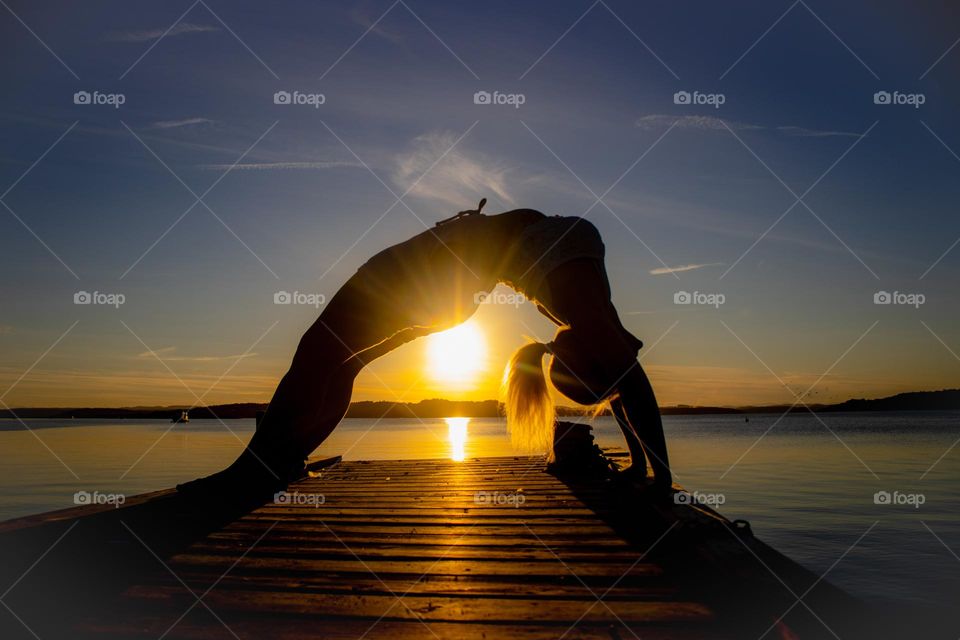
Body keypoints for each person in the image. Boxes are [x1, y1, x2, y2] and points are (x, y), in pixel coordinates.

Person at [178, 200, 671, 499]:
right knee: (340, 359)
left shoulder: (575, 291)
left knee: (323, 352)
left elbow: (625, 377)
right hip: (447, 281)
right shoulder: (577, 292)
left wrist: (652, 472)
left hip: (436, 276)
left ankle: (257, 470)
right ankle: (274, 463)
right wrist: (649, 471)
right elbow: (627, 377)